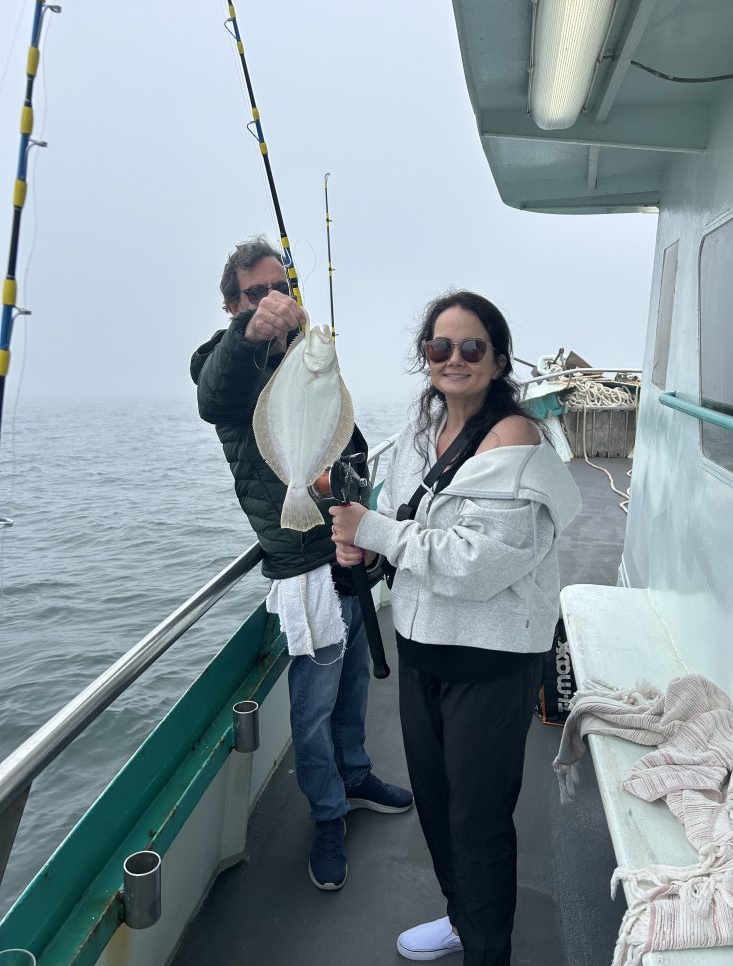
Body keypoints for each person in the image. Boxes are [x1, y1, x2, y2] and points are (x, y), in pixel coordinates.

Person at [330, 291, 581, 965]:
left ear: (499, 359)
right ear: (426, 358)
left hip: (491, 665)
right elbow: (412, 525)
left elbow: (478, 563)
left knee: (478, 820)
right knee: (439, 809)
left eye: (472, 348)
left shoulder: (517, 444)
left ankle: (487, 950)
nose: (454, 360)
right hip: (423, 653)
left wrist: (377, 530)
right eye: (439, 348)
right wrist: (367, 545)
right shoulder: (425, 431)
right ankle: (462, 917)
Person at [190, 236, 412, 892]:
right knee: (311, 710)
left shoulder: (308, 358)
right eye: (254, 292)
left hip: (344, 556)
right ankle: (327, 816)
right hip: (301, 569)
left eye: (279, 287)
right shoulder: (223, 361)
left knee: (351, 693)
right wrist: (250, 335)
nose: (269, 300)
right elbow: (213, 395)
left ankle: (356, 774)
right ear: (231, 302)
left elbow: (351, 444)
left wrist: (359, 521)